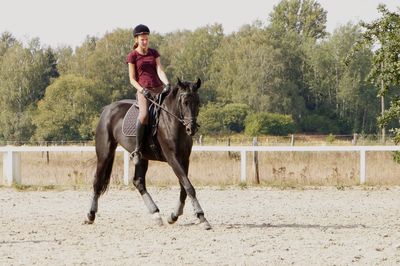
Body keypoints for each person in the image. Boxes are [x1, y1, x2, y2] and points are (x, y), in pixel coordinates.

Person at [126, 24, 170, 164]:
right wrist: (142, 89)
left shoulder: (153, 53)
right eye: (142, 39)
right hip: (143, 90)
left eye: (146, 39)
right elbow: (132, 79)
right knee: (144, 116)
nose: (145, 42)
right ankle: (138, 150)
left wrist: (167, 84)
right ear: (137, 40)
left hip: (158, 88)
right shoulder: (132, 56)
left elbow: (159, 70)